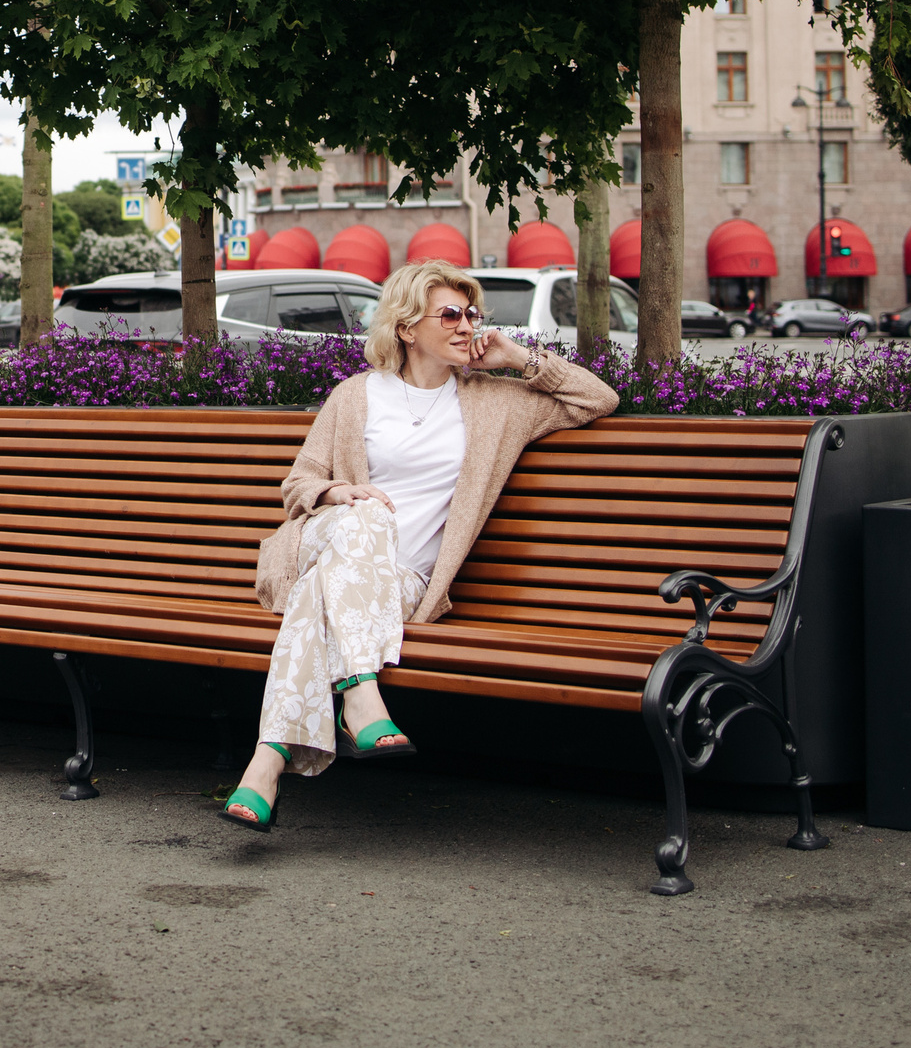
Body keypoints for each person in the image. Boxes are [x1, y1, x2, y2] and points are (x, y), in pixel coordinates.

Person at [218, 259, 619, 832]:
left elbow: (597, 399)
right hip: (327, 540)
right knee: (369, 518)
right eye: (449, 314)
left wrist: (518, 357)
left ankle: (265, 765)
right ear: (407, 327)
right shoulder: (356, 396)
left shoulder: (497, 403)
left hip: (400, 583)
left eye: (471, 313)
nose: (466, 325)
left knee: (319, 596)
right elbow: (297, 485)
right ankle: (359, 695)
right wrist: (338, 491)